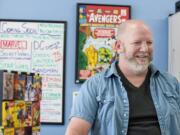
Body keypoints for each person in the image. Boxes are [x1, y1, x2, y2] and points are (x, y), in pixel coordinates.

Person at [65, 20, 180, 135]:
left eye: (149, 43)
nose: (145, 49)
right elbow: (76, 131)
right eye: (137, 42)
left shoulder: (171, 83)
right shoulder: (94, 86)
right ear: (119, 46)